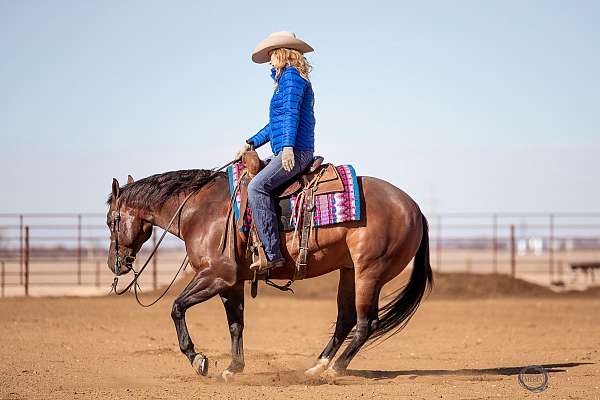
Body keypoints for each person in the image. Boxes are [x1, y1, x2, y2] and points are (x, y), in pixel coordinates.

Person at [234, 31, 316, 270]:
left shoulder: (291, 79)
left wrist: (289, 147)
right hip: (287, 148)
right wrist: (251, 143)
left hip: (295, 151)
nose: (269, 61)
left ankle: (272, 254)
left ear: (281, 54)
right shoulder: (285, 82)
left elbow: (291, 115)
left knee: (257, 187)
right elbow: (276, 124)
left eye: (271, 55)